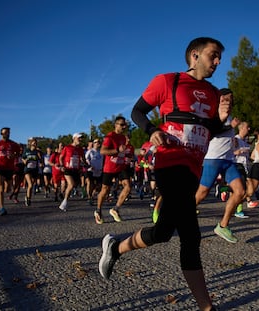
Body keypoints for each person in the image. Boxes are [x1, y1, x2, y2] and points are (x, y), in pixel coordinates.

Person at [98, 37, 227, 311]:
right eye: (212, 55)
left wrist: (222, 121)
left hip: (193, 166)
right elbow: (138, 111)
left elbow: (209, 130)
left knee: (164, 231)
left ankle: (115, 248)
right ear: (195, 55)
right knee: (191, 236)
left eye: (219, 58)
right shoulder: (168, 81)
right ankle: (207, 307)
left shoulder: (214, 93)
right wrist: (152, 130)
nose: (217, 62)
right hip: (170, 162)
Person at [194, 88, 245, 244]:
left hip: (228, 160)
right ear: (218, 99)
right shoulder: (213, 113)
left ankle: (223, 226)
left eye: (230, 99)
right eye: (225, 99)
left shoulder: (229, 117)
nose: (227, 101)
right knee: (202, 193)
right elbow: (211, 131)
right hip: (213, 158)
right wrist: (231, 127)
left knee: (240, 191)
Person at [94, 116, 131, 224]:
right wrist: (117, 150)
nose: (124, 127)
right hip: (109, 167)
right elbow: (102, 151)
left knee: (128, 187)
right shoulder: (110, 137)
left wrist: (127, 155)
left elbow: (122, 152)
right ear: (116, 125)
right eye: (121, 124)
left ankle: (115, 209)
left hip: (120, 166)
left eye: (125, 125)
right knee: (105, 190)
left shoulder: (124, 138)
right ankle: (98, 210)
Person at [233, 121, 258, 215]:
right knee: (243, 189)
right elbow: (231, 152)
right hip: (238, 165)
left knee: (250, 190)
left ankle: (238, 205)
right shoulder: (236, 139)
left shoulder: (245, 141)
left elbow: (249, 157)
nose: (249, 129)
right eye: (247, 127)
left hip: (246, 166)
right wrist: (239, 151)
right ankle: (239, 209)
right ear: (242, 128)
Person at [58, 133, 86, 211]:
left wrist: (86, 165)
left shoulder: (80, 149)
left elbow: (83, 159)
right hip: (67, 169)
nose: (80, 140)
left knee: (73, 186)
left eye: (81, 138)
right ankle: (65, 201)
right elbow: (61, 157)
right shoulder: (67, 147)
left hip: (76, 169)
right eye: (79, 138)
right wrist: (61, 166)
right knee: (71, 184)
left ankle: (65, 200)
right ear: (74, 138)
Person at [22, 138, 42, 206]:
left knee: (31, 185)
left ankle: (28, 197)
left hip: (34, 170)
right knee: (30, 185)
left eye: (36, 143)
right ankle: (28, 199)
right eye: (34, 142)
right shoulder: (26, 150)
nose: (35, 144)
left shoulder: (37, 152)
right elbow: (23, 157)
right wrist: (24, 161)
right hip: (27, 170)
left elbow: (41, 160)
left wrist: (41, 162)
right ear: (31, 143)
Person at [85, 138, 103, 205]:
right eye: (96, 142)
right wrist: (89, 165)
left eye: (99, 142)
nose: (98, 143)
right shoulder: (90, 151)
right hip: (91, 171)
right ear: (93, 143)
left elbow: (103, 161)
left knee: (99, 186)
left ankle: (92, 196)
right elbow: (85, 159)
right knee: (91, 184)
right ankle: (89, 198)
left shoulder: (101, 152)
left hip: (99, 171)